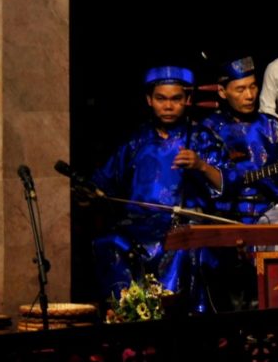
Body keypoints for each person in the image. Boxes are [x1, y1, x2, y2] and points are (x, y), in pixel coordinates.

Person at [91, 66, 227, 314]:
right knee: (108, 243)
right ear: (149, 100)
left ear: (187, 100)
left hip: (182, 223)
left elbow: (224, 182)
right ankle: (128, 316)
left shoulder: (201, 137)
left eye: (176, 99)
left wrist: (200, 165)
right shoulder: (136, 140)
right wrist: (90, 192)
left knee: (185, 248)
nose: (168, 106)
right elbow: (104, 181)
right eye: (161, 99)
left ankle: (168, 318)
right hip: (137, 228)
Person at [203, 57, 278, 225]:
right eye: (240, 89)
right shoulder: (209, 129)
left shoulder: (272, 126)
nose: (249, 95)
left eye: (253, 87)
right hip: (221, 213)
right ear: (222, 91)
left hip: (268, 208)